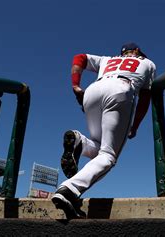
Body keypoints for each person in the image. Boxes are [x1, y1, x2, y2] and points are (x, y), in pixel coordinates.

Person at [51, 42, 156, 218]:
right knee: (108, 155)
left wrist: (76, 85)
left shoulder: (108, 60)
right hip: (120, 89)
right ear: (136, 51)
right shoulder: (147, 63)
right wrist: (135, 126)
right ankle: (70, 189)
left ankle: (80, 142)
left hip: (93, 91)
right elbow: (145, 98)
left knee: (100, 148)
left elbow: (80, 57)